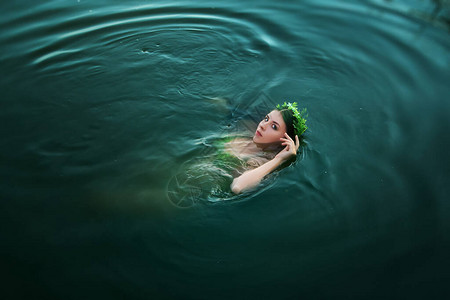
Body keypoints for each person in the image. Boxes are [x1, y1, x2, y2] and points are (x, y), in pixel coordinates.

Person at [228, 102, 308, 194]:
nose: (262, 125)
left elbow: (237, 187)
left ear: (285, 141)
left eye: (274, 127)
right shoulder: (253, 135)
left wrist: (279, 159)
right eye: (266, 119)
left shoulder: (261, 162)